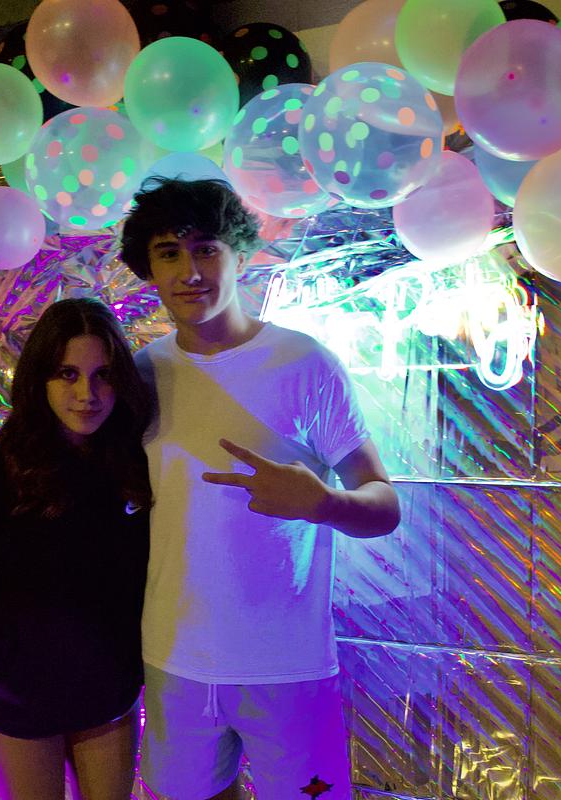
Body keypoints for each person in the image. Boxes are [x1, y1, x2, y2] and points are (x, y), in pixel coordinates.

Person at [120, 178, 400, 799]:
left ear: (240, 254)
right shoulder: (140, 376)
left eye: (207, 248)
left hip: (287, 666)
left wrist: (324, 502)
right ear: (149, 269)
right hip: (175, 659)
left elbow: (384, 504)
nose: (190, 271)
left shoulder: (304, 364)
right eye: (169, 253)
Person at [0, 298, 152, 800]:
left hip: (106, 692)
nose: (86, 394)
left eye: (102, 375)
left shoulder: (134, 469)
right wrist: (5, 670)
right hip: (17, 699)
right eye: (67, 374)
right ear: (39, 380)